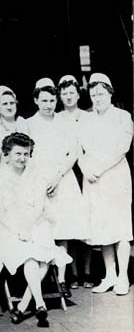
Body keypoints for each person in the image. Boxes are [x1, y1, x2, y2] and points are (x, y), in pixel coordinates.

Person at [0, 133, 72, 328]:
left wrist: (27, 228)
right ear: (6, 154)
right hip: (9, 228)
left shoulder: (35, 176)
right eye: (18, 153)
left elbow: (38, 206)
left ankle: (27, 304)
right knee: (30, 256)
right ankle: (39, 303)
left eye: (26, 154)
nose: (22, 158)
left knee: (40, 256)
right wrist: (18, 230)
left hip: (35, 224)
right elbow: (0, 211)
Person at [27, 78, 88, 299]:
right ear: (36, 100)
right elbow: (29, 156)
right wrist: (43, 182)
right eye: (43, 100)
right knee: (44, 229)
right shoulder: (29, 124)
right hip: (40, 182)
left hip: (63, 178)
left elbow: (73, 152)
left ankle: (62, 278)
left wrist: (58, 176)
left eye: (52, 100)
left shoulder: (64, 122)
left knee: (62, 229)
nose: (48, 104)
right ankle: (43, 278)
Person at [78, 73, 133, 295]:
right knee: (102, 228)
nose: (97, 98)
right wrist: (85, 168)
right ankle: (109, 274)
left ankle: (123, 276)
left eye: (101, 93)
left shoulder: (123, 116)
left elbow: (122, 148)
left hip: (115, 178)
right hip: (93, 180)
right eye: (93, 94)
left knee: (119, 228)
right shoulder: (86, 119)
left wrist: (99, 169)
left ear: (110, 93)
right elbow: (79, 149)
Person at [57, 75, 94, 288]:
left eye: (72, 92)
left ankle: (87, 271)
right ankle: (70, 273)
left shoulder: (88, 117)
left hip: (86, 173)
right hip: (69, 173)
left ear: (78, 94)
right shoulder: (58, 118)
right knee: (69, 222)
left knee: (86, 222)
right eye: (64, 93)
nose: (68, 96)